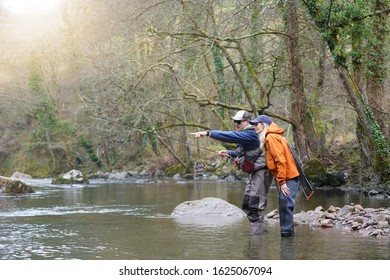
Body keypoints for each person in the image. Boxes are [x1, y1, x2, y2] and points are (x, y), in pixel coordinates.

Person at [192, 110, 273, 235]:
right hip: (255, 172)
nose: (236, 124)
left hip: (262, 173)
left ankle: (257, 238)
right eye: (235, 122)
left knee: (255, 204)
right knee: (247, 202)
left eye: (238, 122)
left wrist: (208, 133)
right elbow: (247, 153)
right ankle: (259, 232)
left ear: (247, 122)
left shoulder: (251, 134)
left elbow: (231, 136)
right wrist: (230, 153)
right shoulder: (249, 135)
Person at [249, 114, 299, 237]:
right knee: (285, 206)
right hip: (288, 176)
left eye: (256, 124)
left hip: (288, 177)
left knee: (285, 206)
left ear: (264, 125)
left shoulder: (271, 137)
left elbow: (280, 161)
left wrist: (282, 182)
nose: (254, 127)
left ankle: (286, 239)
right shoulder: (273, 136)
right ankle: (288, 236)